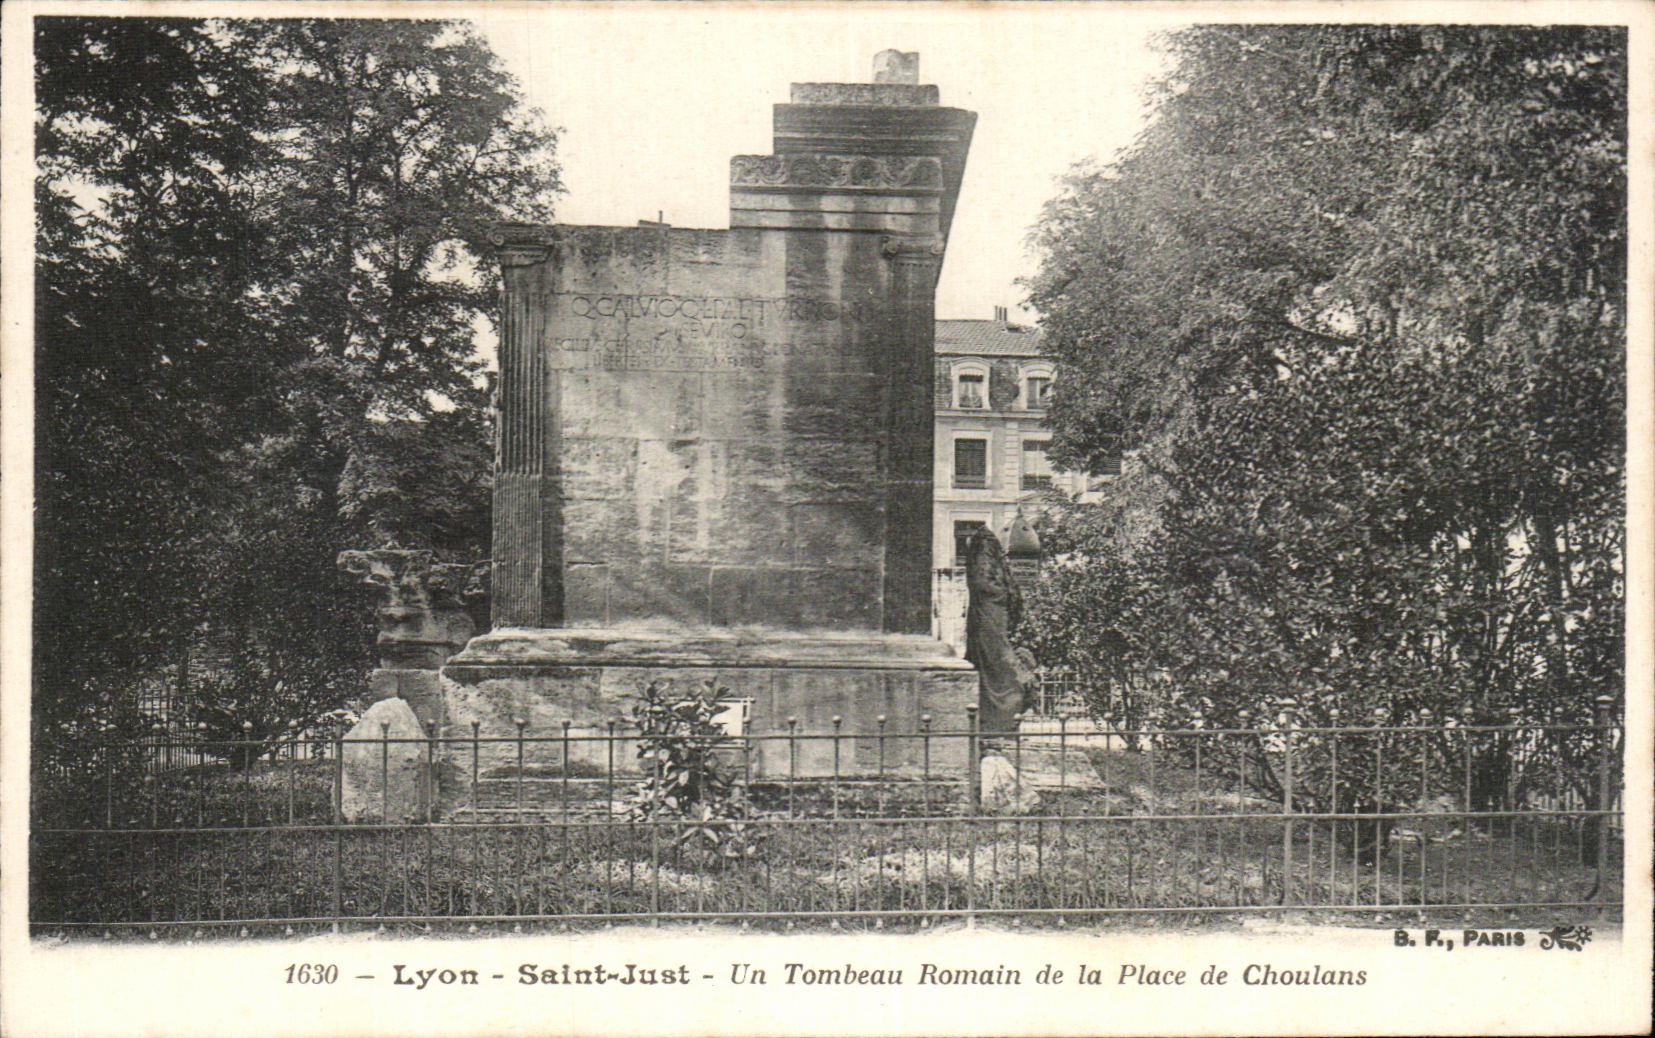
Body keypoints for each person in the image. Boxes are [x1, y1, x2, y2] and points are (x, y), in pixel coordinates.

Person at [964, 527, 1036, 737]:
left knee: (1002, 671)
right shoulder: (985, 564)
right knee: (999, 668)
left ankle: (1000, 724)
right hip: (989, 619)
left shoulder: (991, 564)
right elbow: (984, 583)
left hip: (995, 617)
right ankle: (997, 724)